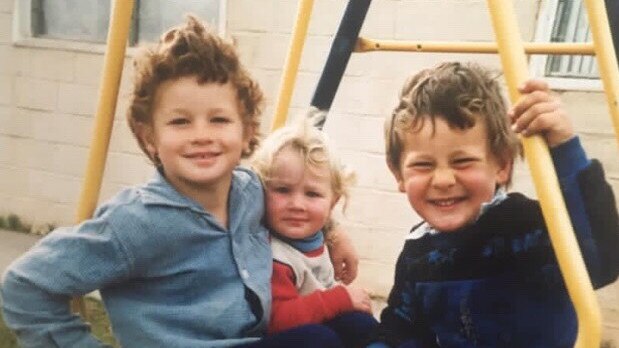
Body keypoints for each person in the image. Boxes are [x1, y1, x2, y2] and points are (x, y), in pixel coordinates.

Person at [0, 16, 357, 348]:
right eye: (180, 122)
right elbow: (24, 287)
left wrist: (335, 234)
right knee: (317, 342)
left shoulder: (249, 191)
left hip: (253, 339)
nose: (201, 135)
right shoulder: (135, 222)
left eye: (218, 119)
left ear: (247, 130)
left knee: (351, 326)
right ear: (149, 136)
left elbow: (291, 201)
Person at [367, 62, 619, 347]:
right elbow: (403, 330)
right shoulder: (419, 250)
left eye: (462, 161)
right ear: (398, 174)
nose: (443, 179)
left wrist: (564, 147)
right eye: (423, 165)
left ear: (501, 164)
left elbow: (601, 260)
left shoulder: (526, 229)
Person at [251, 119, 379, 347]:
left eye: (312, 194)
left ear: (333, 202)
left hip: (309, 322)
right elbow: (278, 320)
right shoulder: (273, 255)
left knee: (362, 324)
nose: (297, 204)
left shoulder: (316, 237)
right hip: (277, 335)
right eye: (282, 190)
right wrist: (341, 298)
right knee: (320, 340)